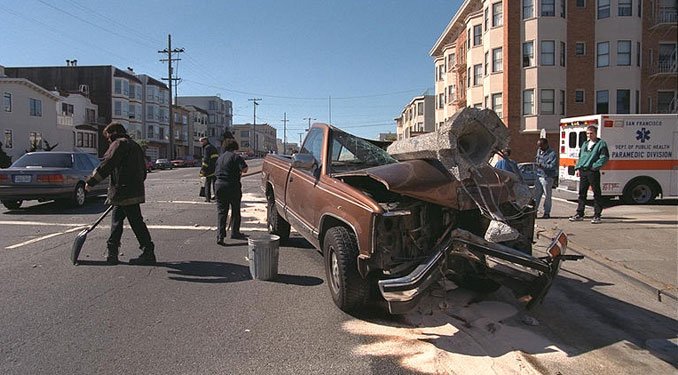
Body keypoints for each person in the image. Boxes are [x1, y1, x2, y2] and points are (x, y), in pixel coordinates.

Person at [85, 122, 155, 265]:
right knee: (120, 221)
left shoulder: (119, 145)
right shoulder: (134, 145)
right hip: (132, 190)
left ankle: (147, 252)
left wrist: (91, 182)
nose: (108, 140)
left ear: (113, 133)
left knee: (133, 222)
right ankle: (113, 253)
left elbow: (107, 165)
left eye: (108, 136)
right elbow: (143, 170)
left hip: (122, 191)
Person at [570, 125, 609, 224]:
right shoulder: (585, 144)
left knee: (596, 193)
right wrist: (578, 168)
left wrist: (595, 166)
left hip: (592, 171)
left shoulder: (601, 144)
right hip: (583, 170)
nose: (589, 135)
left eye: (591, 133)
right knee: (582, 193)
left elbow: (604, 157)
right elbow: (581, 156)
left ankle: (597, 215)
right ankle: (579, 213)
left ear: (596, 133)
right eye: (587, 133)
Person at [214, 138, 249, 244]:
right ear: (235, 147)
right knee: (235, 210)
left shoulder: (220, 158)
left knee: (222, 212)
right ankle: (235, 232)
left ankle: (220, 236)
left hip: (219, 185)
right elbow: (245, 169)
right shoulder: (236, 157)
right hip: (232, 185)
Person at [534, 138, 558, 219]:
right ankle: (534, 211)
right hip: (538, 175)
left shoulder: (552, 154)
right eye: (539, 146)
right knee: (536, 196)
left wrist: (543, 165)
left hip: (547, 177)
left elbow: (552, 166)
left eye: (541, 146)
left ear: (546, 144)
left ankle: (546, 212)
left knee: (547, 196)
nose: (540, 148)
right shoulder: (539, 151)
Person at [199, 137, 219, 202]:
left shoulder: (207, 148)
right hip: (215, 168)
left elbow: (206, 159)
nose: (200, 143)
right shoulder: (213, 147)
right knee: (215, 183)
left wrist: (203, 169)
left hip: (209, 169)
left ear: (205, 141)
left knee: (207, 183)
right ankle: (216, 196)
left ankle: (207, 198)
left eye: (202, 141)